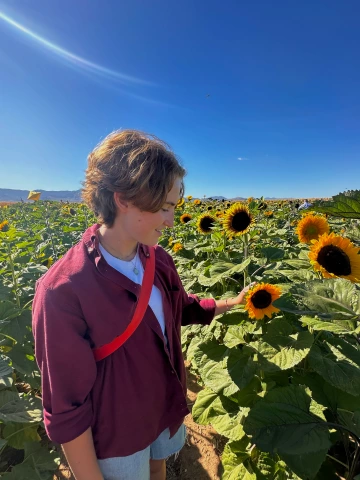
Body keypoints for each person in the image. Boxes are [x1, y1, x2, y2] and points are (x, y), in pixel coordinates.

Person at [32, 130, 252, 480]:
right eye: (164, 208)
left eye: (173, 208)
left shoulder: (157, 259)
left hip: (163, 408)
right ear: (123, 199)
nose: (170, 221)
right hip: (117, 438)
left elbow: (181, 307)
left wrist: (231, 303)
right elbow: (66, 406)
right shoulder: (63, 291)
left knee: (158, 468)